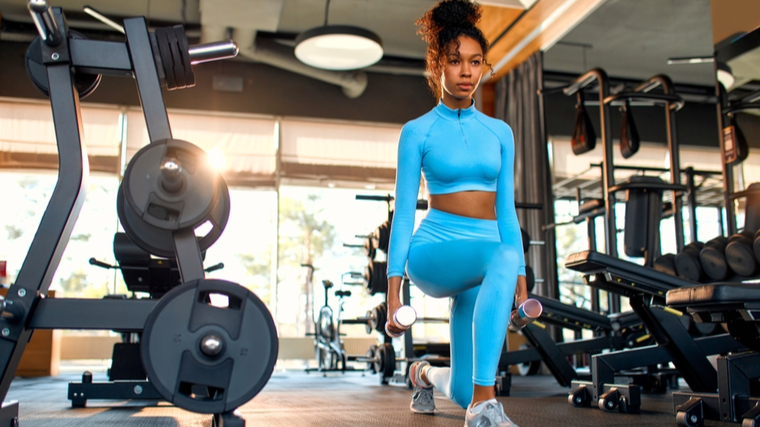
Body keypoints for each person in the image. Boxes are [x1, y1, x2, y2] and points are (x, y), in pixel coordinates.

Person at [384, 1, 528, 426]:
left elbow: (507, 211)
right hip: (436, 251)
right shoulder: (418, 131)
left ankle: (423, 374)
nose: (466, 71)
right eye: (455, 61)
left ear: (483, 66)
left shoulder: (501, 132)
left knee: (463, 387)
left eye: (475, 62)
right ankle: (486, 407)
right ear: (437, 66)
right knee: (503, 255)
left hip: (487, 259)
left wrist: (520, 285)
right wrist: (394, 293)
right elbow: (405, 214)